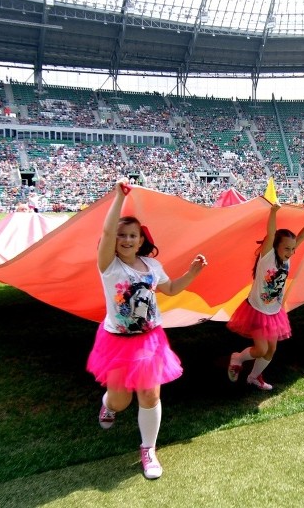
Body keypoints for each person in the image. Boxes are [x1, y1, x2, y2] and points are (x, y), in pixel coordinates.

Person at [86, 179, 207, 480]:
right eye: (121, 236)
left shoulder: (152, 267)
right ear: (114, 241)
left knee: (150, 396)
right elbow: (104, 231)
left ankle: (148, 449)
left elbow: (171, 288)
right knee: (120, 400)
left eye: (133, 236)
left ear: (141, 241)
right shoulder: (109, 267)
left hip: (150, 341)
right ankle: (107, 406)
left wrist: (192, 272)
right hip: (117, 342)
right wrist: (118, 198)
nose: (127, 240)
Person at [227, 202, 304, 390]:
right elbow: (272, 232)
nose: (290, 252)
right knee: (261, 349)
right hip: (256, 310)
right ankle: (238, 357)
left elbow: (303, 236)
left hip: (273, 311)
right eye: (287, 248)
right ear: (275, 246)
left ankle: (254, 377)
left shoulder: (286, 258)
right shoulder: (267, 257)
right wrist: (273, 212)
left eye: (292, 249)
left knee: (271, 349)